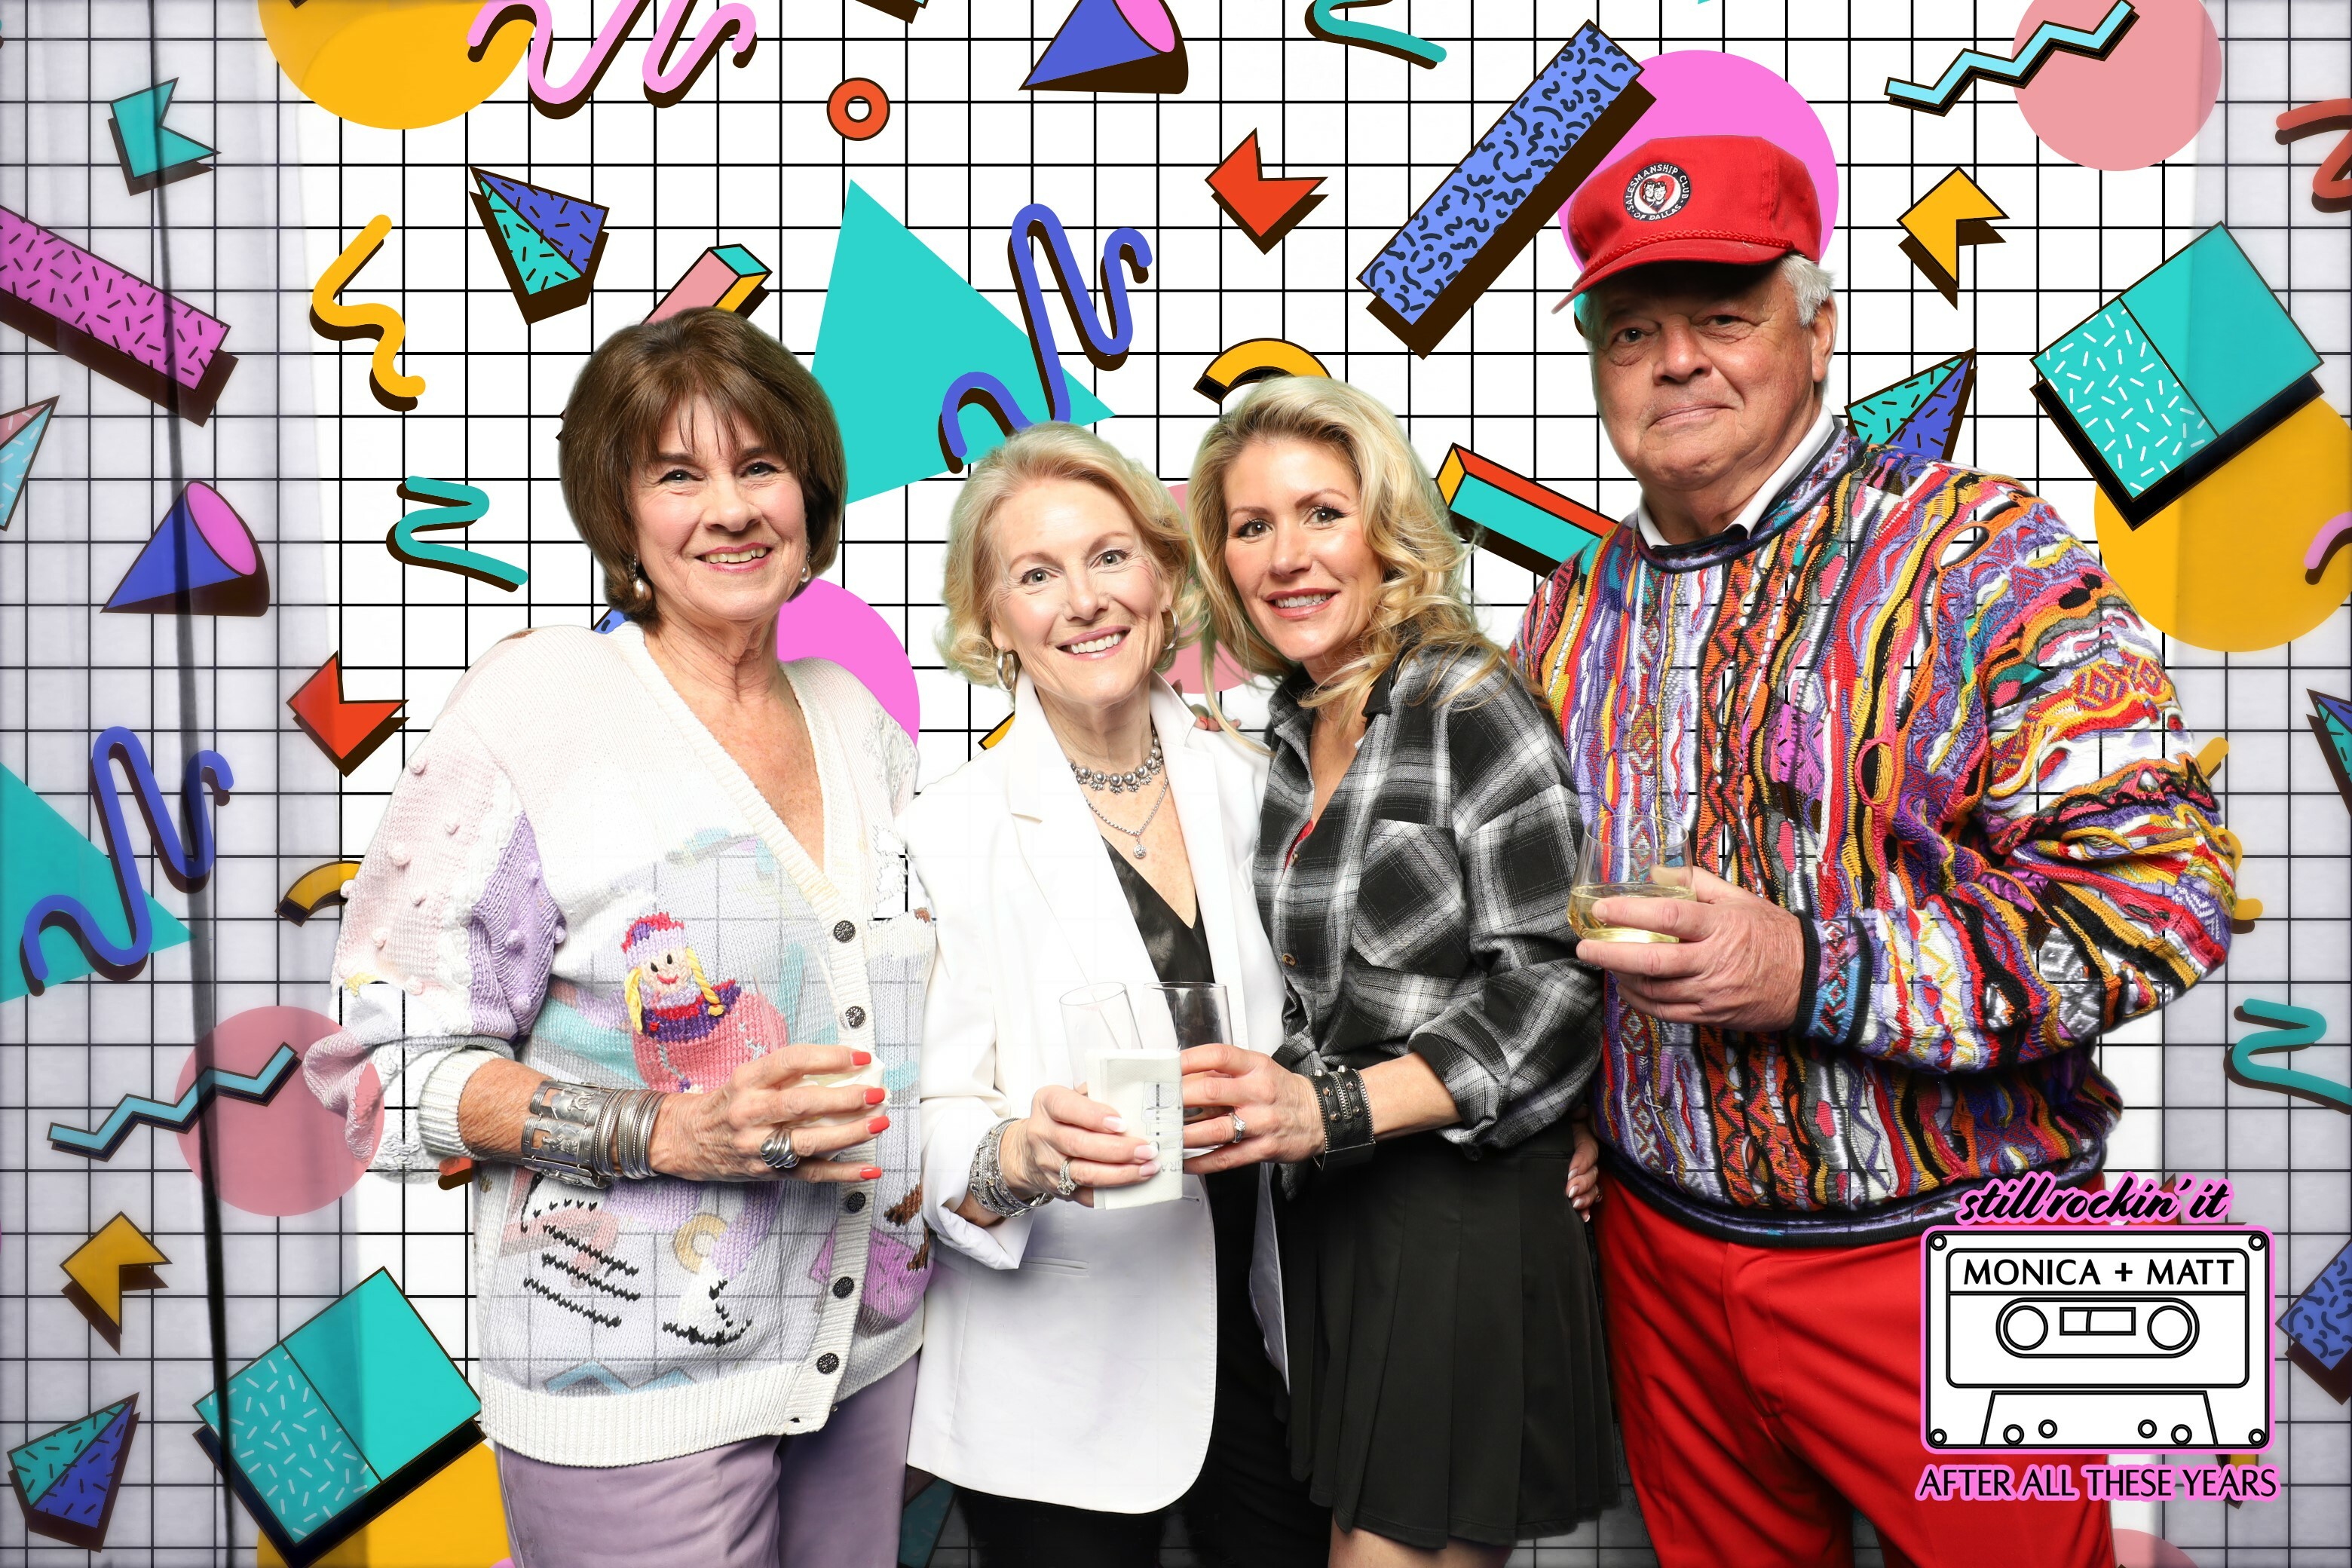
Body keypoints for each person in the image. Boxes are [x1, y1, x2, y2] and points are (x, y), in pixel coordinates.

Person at [1513, 134, 2241, 1568]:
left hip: (1978, 1242)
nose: (1676, 361)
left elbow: (2166, 897)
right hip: (1661, 1259)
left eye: (1724, 316)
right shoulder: (1565, 611)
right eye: (1631, 331)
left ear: (1820, 331)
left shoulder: (1989, 553)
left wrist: (1812, 968)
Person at [304, 309, 934, 1568]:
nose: (731, 510)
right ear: (621, 514)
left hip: (867, 1365)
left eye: (761, 467)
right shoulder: (537, 710)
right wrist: (663, 1132)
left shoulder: (858, 718)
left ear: (810, 498)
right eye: (678, 475)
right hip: (627, 1386)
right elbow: (373, 1077)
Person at [1181, 375, 1615, 1568]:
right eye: (1252, 525)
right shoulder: (1286, 729)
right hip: (1338, 1219)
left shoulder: (1468, 701)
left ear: (1386, 530)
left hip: (1457, 1215)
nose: (1287, 556)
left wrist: (1328, 1110)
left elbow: (1554, 983)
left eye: (1322, 513)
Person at [903, 422, 1330, 1567]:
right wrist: (1018, 1156)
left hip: (1265, 1341)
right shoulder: (945, 833)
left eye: (1108, 557)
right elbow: (919, 1119)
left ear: (1165, 576)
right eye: (1036, 575)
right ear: (992, 621)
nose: (1084, 600)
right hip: (1057, 1380)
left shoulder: (1262, 782)